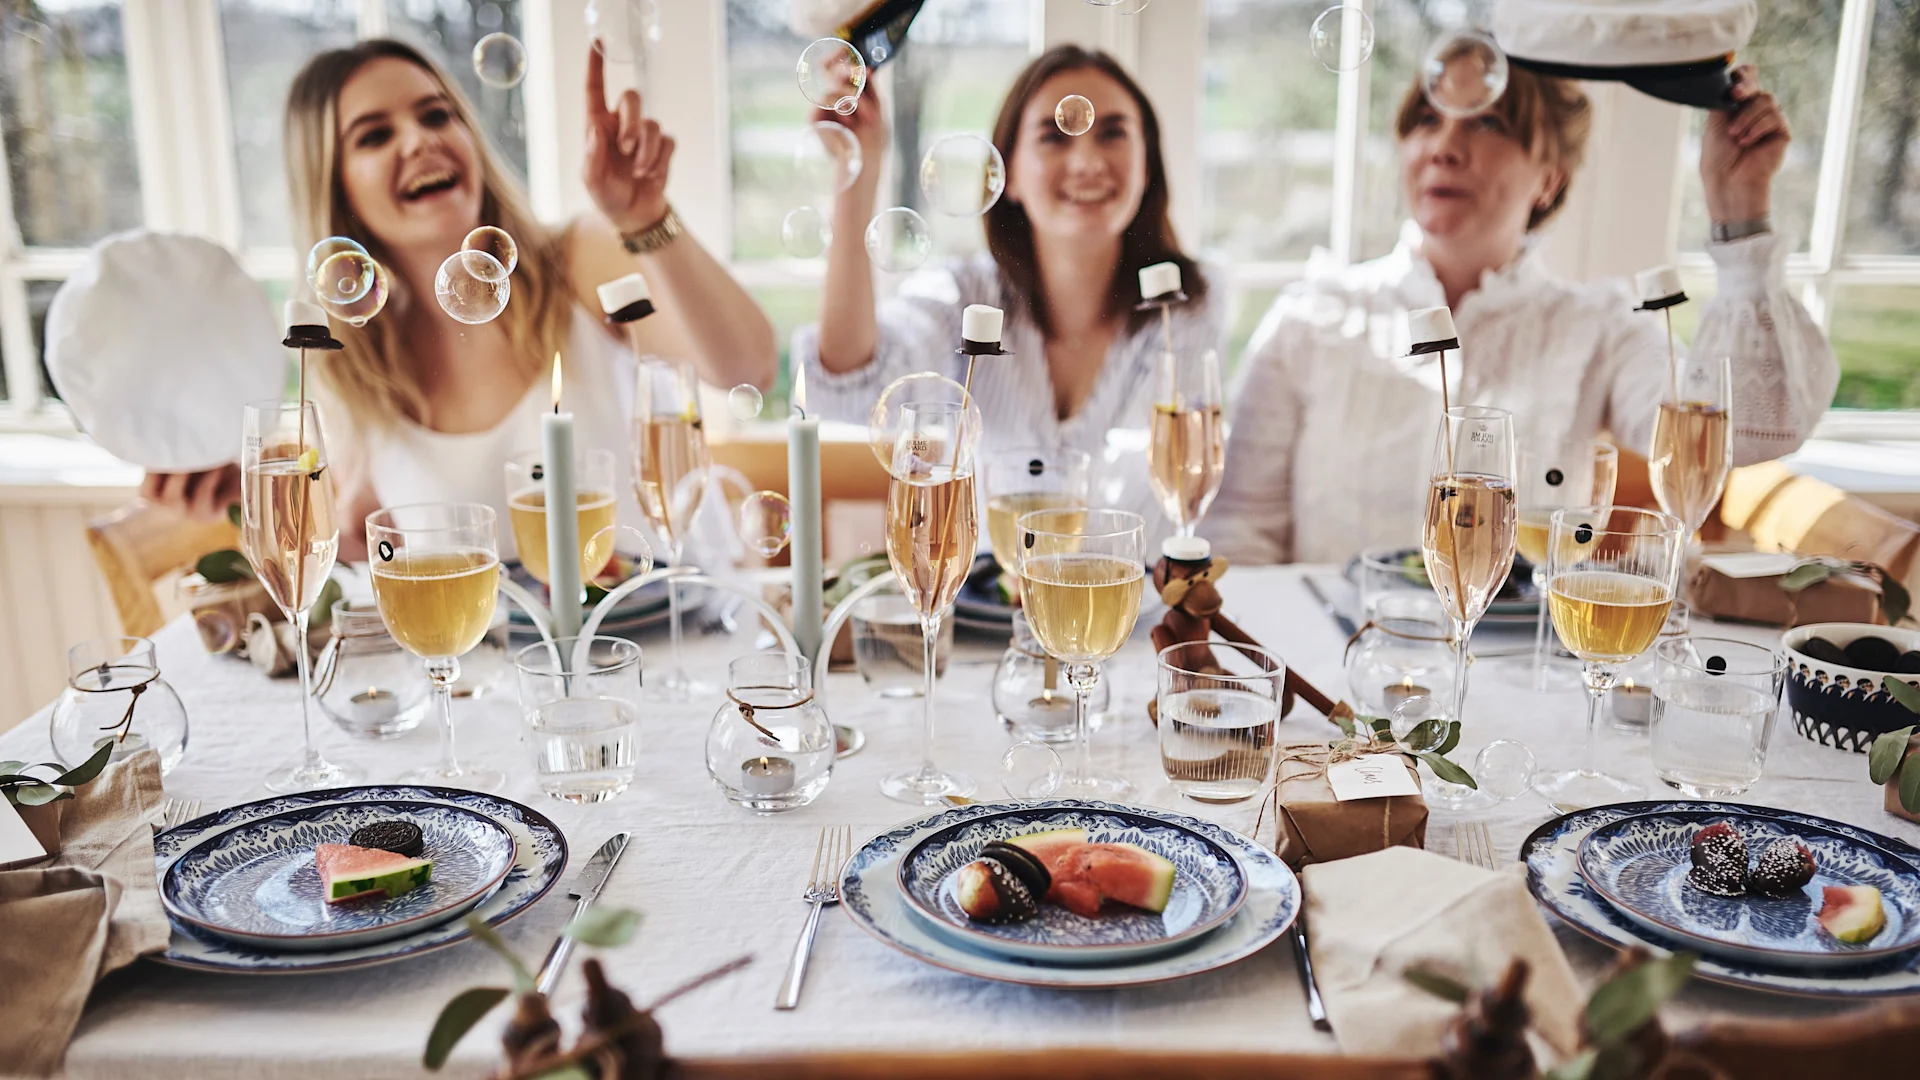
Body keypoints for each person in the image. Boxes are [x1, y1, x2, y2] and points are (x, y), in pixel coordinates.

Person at [143, 39, 776, 560]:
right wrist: (246, 493)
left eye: (436, 114)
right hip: (517, 688)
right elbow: (357, 542)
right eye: (373, 136)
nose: (418, 140)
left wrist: (646, 218)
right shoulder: (356, 366)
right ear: (336, 187)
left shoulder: (581, 258)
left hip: (686, 647)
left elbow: (747, 368)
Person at [1204, 63, 1838, 566]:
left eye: (1487, 124)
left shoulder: (1602, 325)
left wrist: (1740, 214)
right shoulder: (1312, 316)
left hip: (1519, 683)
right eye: (1427, 119)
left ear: (1550, 179)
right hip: (1335, 684)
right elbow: (1240, 534)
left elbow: (1752, 430)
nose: (1444, 147)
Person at [795, 45, 1222, 543]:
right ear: (1009, 173)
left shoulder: (1189, 309)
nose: (1086, 161)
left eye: (1112, 133)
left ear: (1147, 165)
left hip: (1134, 617)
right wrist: (858, 170)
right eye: (1054, 137)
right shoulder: (963, 298)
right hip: (991, 619)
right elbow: (847, 385)